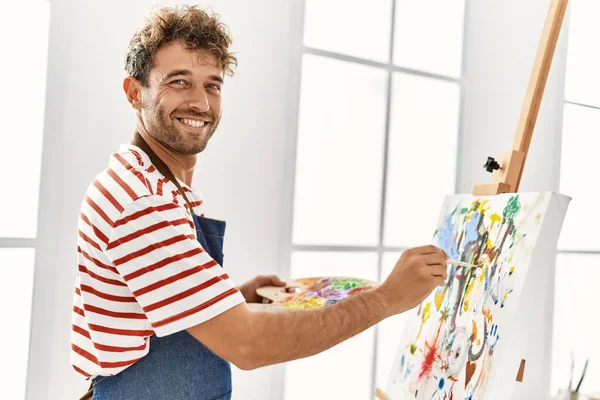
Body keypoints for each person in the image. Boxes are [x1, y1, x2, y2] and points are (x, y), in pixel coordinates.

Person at [71, 5, 448, 400]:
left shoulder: (152, 184)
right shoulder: (142, 201)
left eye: (212, 85)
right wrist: (386, 299)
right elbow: (248, 346)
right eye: (179, 82)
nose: (200, 102)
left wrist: (230, 297)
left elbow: (147, 313)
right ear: (135, 93)